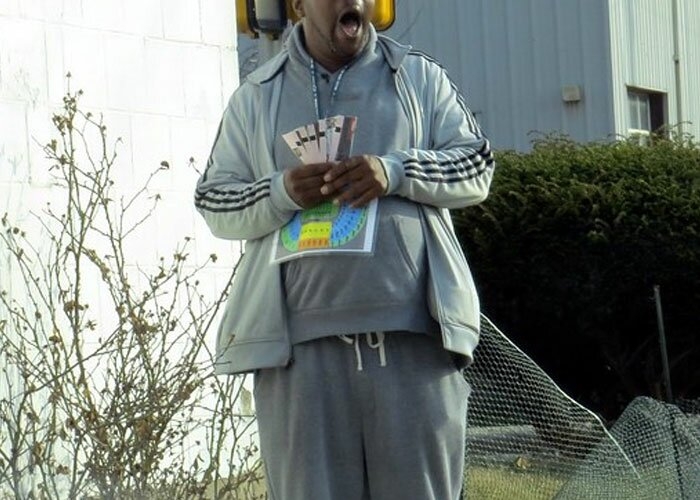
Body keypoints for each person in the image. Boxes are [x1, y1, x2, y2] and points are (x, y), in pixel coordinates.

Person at [194, 0, 495, 498]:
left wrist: (395, 171)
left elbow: (477, 166)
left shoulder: (417, 78)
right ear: (298, 5)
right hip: (298, 358)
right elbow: (214, 200)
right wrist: (281, 191)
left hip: (414, 342)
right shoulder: (256, 96)